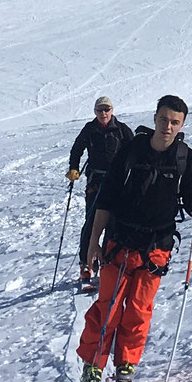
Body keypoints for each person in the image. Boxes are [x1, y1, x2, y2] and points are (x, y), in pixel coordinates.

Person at [77, 93, 192, 382]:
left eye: (174, 122)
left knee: (138, 312)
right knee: (108, 309)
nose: (167, 126)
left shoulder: (185, 157)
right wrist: (93, 243)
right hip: (119, 243)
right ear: (154, 118)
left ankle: (126, 370)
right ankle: (92, 371)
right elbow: (106, 200)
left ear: (182, 125)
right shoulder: (131, 150)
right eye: (163, 119)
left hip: (157, 248)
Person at [66, 97, 132, 286]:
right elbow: (76, 149)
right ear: (95, 111)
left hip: (117, 183)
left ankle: (107, 262)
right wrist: (74, 168)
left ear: (112, 110)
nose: (103, 114)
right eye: (99, 110)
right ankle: (86, 264)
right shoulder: (90, 129)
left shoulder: (122, 129)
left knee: (113, 222)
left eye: (106, 109)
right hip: (95, 181)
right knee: (92, 222)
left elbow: (135, 150)